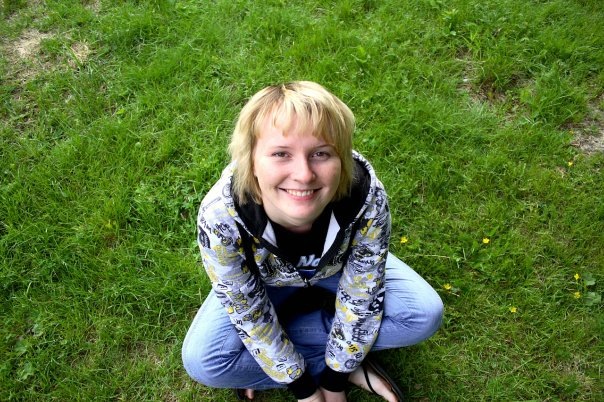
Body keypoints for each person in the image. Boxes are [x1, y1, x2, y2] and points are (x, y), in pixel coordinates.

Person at [182, 81, 443, 402]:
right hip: (264, 283)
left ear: (342, 159)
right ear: (251, 162)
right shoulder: (221, 216)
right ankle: (331, 352)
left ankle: (296, 352)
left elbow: (362, 292)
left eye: (320, 153)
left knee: (423, 314)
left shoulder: (365, 196)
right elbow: (247, 310)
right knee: (205, 361)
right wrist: (303, 387)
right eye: (281, 154)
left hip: (339, 270)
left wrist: (336, 378)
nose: (304, 174)